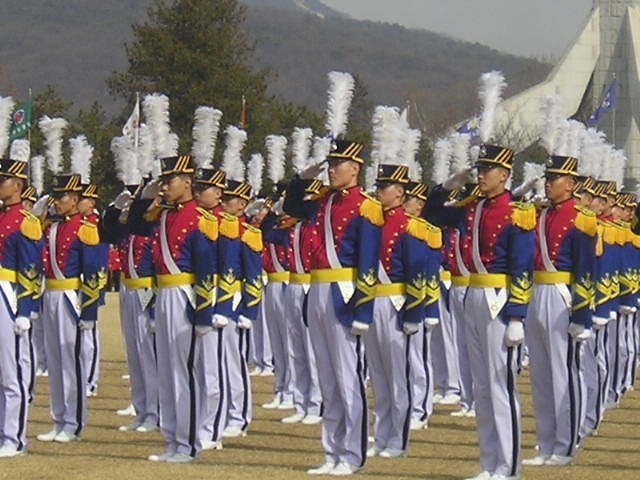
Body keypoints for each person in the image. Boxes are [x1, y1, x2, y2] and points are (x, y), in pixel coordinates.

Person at [428, 144, 535, 480]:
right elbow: (432, 214)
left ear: (504, 175)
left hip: (497, 298)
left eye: (488, 170)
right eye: (480, 169)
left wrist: (517, 315)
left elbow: (522, 268)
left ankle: (508, 466)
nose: (481, 175)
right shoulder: (471, 207)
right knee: (482, 387)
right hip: (473, 294)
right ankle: (490, 463)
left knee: (500, 385)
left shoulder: (516, 212)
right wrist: (448, 186)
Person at [287, 139, 383, 476]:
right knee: (326, 377)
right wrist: (305, 174)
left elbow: (368, 263)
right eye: (328, 164)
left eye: (337, 164)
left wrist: (363, 310)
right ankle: (332, 451)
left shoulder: (366, 206)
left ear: (355, 168)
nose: (330, 170)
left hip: (345, 294)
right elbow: (291, 204)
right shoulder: (320, 202)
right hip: (318, 289)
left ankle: (352, 454)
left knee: (347, 377)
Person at [523, 155, 595, 467]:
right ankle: (546, 442)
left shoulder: (581, 219)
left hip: (562, 294)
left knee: (564, 372)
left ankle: (565, 445)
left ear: (571, 184)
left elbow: (586, 270)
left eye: (555, 179)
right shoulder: (539, 215)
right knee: (541, 374)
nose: (548, 184)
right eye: (548, 178)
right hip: (537, 290)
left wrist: (582, 315)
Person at [365, 164, 441, 458]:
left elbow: (417, 273)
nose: (378, 192)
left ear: (399, 192)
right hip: (373, 301)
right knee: (379, 375)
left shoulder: (411, 226)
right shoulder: (371, 223)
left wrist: (413, 314)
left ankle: (398, 439)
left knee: (400, 375)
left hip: (397, 303)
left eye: (384, 187)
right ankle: (382, 434)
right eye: (378, 186)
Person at [146, 155, 217, 463]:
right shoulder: (163, 216)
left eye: (169, 181)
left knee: (183, 371)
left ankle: (188, 443)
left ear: (187, 182)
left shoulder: (199, 218)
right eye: (162, 182)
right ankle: (172, 438)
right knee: (166, 370)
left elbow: (206, 270)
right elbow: (133, 224)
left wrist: (203, 314)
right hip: (164, 294)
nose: (164, 187)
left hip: (184, 296)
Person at [37, 173, 103, 443]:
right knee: (54, 360)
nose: (57, 202)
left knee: (71, 361)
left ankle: (73, 422)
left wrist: (88, 312)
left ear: (75, 200)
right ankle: (59, 418)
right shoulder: (52, 227)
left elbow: (93, 272)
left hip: (70, 296)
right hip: (51, 294)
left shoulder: (84, 228)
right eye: (55, 196)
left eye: (62, 197)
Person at [0, 157, 42, 457]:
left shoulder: (25, 221)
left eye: (3, 180)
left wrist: (25, 310)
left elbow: (30, 269)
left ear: (18, 185)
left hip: (9, 295)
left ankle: (13, 438)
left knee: (12, 370)